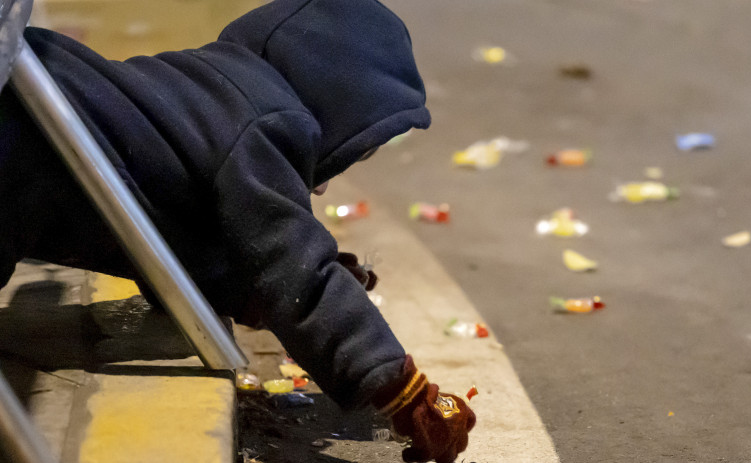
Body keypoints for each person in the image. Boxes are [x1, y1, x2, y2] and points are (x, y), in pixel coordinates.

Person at [0, 0, 476, 461]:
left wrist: (253, 293)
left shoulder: (206, 92)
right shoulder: (266, 124)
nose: (328, 188)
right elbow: (298, 276)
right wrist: (405, 392)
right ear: (336, 98)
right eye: (354, 147)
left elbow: (173, 232)